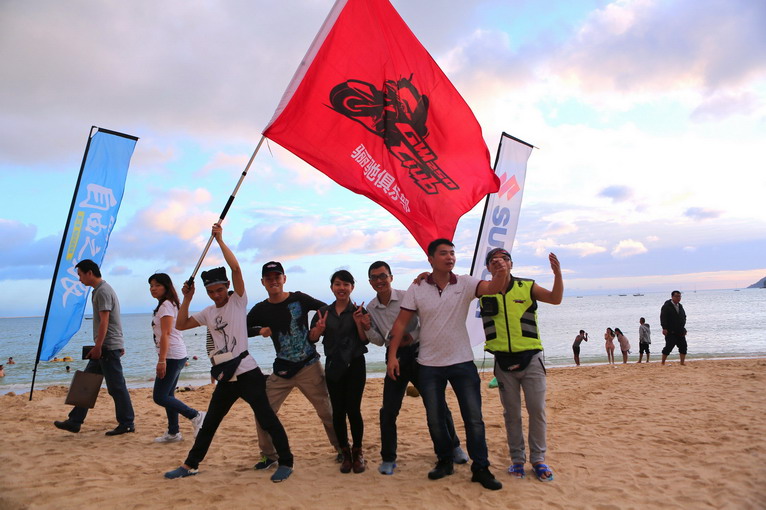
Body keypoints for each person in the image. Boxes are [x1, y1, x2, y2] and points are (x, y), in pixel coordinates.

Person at [164, 223, 293, 482]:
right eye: (211, 292)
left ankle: (286, 462)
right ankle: (190, 465)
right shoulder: (208, 312)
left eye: (220, 289)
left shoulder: (237, 301)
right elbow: (181, 324)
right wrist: (187, 298)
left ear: (227, 287)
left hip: (248, 373)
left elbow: (236, 269)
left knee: (267, 418)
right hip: (226, 376)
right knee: (210, 422)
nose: (216, 295)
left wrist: (220, 240)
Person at [386, 238, 510, 491]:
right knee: (435, 418)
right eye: (443, 253)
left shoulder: (466, 283)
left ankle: (481, 468)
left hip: (462, 362)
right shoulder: (417, 287)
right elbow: (400, 323)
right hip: (429, 364)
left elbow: (493, 288)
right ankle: (444, 461)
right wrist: (392, 356)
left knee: (474, 419)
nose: (450, 257)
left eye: (452, 253)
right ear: (430, 259)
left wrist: (500, 273)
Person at [366, 260, 467, 475]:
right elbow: (378, 340)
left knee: (437, 405)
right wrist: (365, 327)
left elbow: (427, 321)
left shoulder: (407, 296)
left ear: (391, 277)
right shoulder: (371, 308)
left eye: (383, 276)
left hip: (420, 354)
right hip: (394, 358)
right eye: (374, 277)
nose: (379, 280)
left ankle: (454, 446)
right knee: (388, 410)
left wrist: (412, 335)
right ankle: (388, 458)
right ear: (370, 282)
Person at [246, 261, 340, 469]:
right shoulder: (261, 309)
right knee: (263, 413)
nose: (273, 281)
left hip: (309, 366)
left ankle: (342, 448)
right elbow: (242, 328)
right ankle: (269, 455)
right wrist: (259, 330)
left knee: (327, 412)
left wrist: (317, 329)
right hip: (282, 370)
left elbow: (326, 309)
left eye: (277, 277)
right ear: (262, 282)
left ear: (284, 279)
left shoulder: (299, 298)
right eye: (269, 278)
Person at [479, 248, 562, 483]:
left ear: (511, 264)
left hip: (531, 359)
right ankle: (517, 459)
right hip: (503, 362)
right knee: (511, 414)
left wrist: (557, 275)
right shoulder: (483, 291)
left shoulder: (527, 286)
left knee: (537, 410)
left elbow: (555, 299)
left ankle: (538, 459)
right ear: (488, 268)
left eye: (504, 259)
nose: (499, 262)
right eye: (494, 260)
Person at [53, 259, 135, 435]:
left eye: (80, 275)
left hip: (106, 347)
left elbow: (105, 320)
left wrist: (99, 346)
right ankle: (75, 421)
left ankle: (127, 423)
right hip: (106, 345)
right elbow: (113, 320)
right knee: (86, 383)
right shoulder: (99, 290)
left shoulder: (103, 291)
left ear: (89, 273)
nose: (79, 279)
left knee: (116, 387)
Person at [310, 270, 369, 474]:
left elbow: (364, 340)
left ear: (352, 287)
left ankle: (357, 452)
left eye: (345, 284)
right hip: (334, 365)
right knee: (338, 411)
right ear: (332, 288)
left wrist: (359, 324)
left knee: (353, 409)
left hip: (355, 364)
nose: (341, 288)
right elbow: (312, 338)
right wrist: (318, 330)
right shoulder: (323, 312)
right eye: (337, 284)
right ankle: (344, 452)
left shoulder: (359, 311)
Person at [148, 272, 205, 443]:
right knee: (168, 394)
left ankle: (196, 415)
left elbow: (165, 334)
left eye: (157, 285)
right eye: (151, 285)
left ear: (166, 287)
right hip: (177, 354)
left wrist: (162, 360)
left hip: (172, 355)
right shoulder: (169, 304)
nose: (153, 288)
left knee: (160, 396)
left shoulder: (166, 305)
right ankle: (173, 432)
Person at [660, 290, 687, 365]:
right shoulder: (667, 306)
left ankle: (682, 363)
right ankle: (663, 362)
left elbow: (683, 317)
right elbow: (663, 317)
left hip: (680, 330)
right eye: (676, 296)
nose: (678, 298)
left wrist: (683, 328)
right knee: (669, 347)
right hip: (670, 331)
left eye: (679, 296)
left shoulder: (680, 306)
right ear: (672, 297)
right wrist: (664, 328)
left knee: (683, 346)